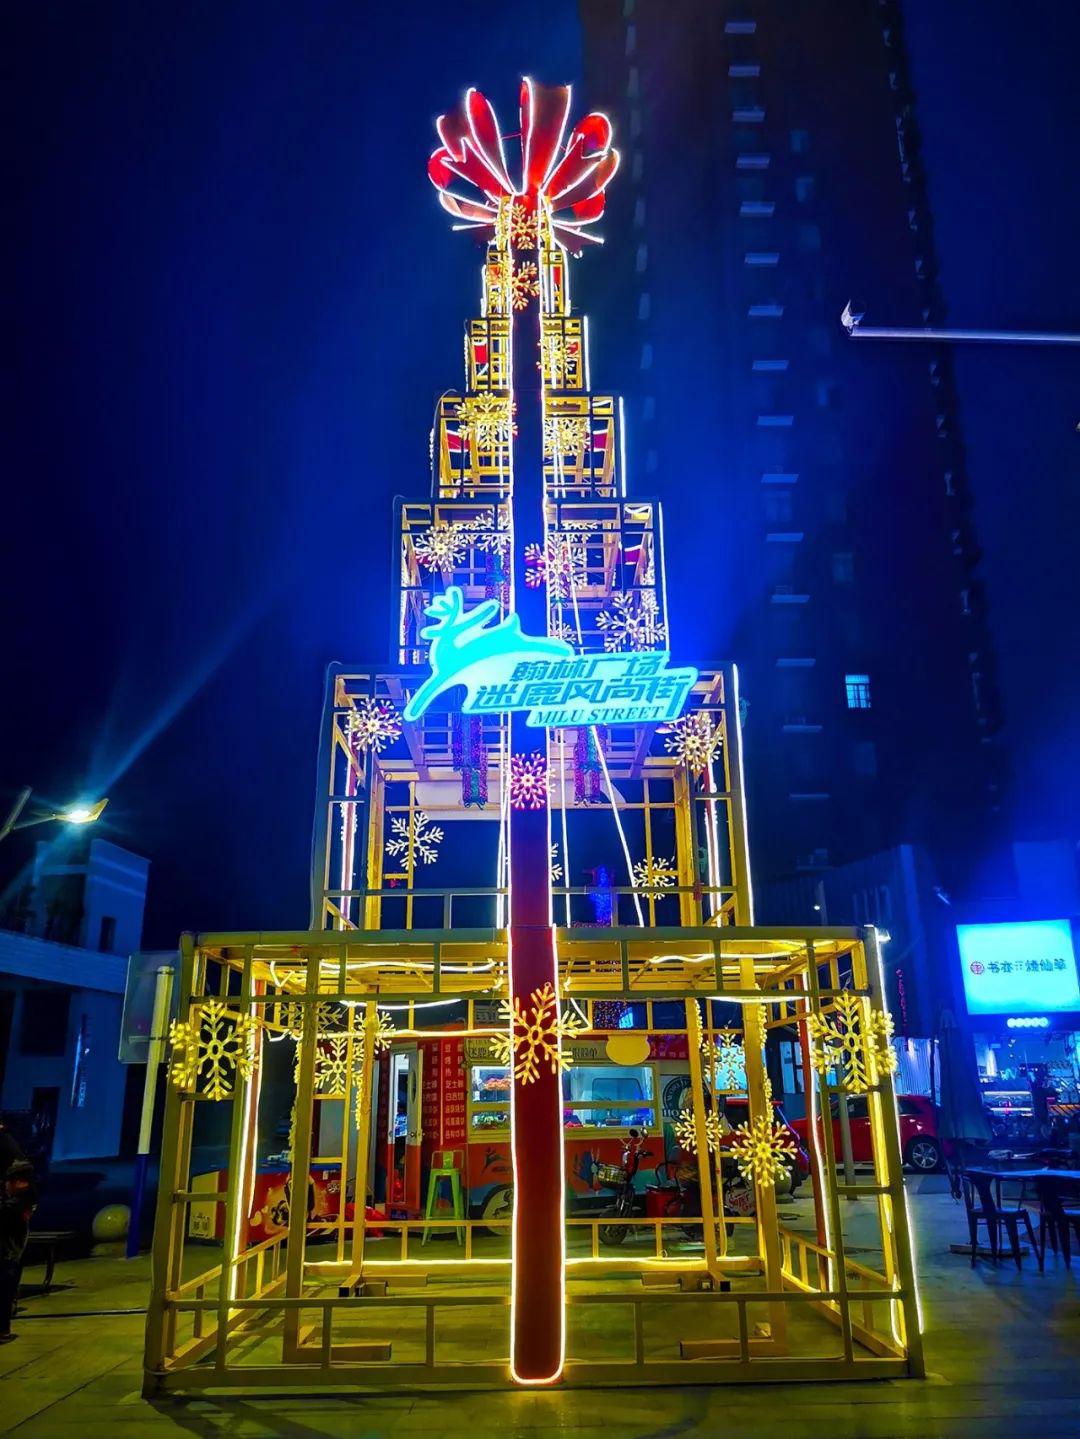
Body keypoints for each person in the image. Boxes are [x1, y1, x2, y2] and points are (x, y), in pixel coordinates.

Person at [0, 1160, 37, 1344]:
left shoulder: (16, 1204)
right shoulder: (26, 1200)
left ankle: (3, 1331)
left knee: (4, 1293)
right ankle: (3, 1330)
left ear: (19, 1182)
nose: (6, 1186)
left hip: (7, 1254)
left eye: (8, 1182)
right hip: (13, 1254)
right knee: (6, 1292)